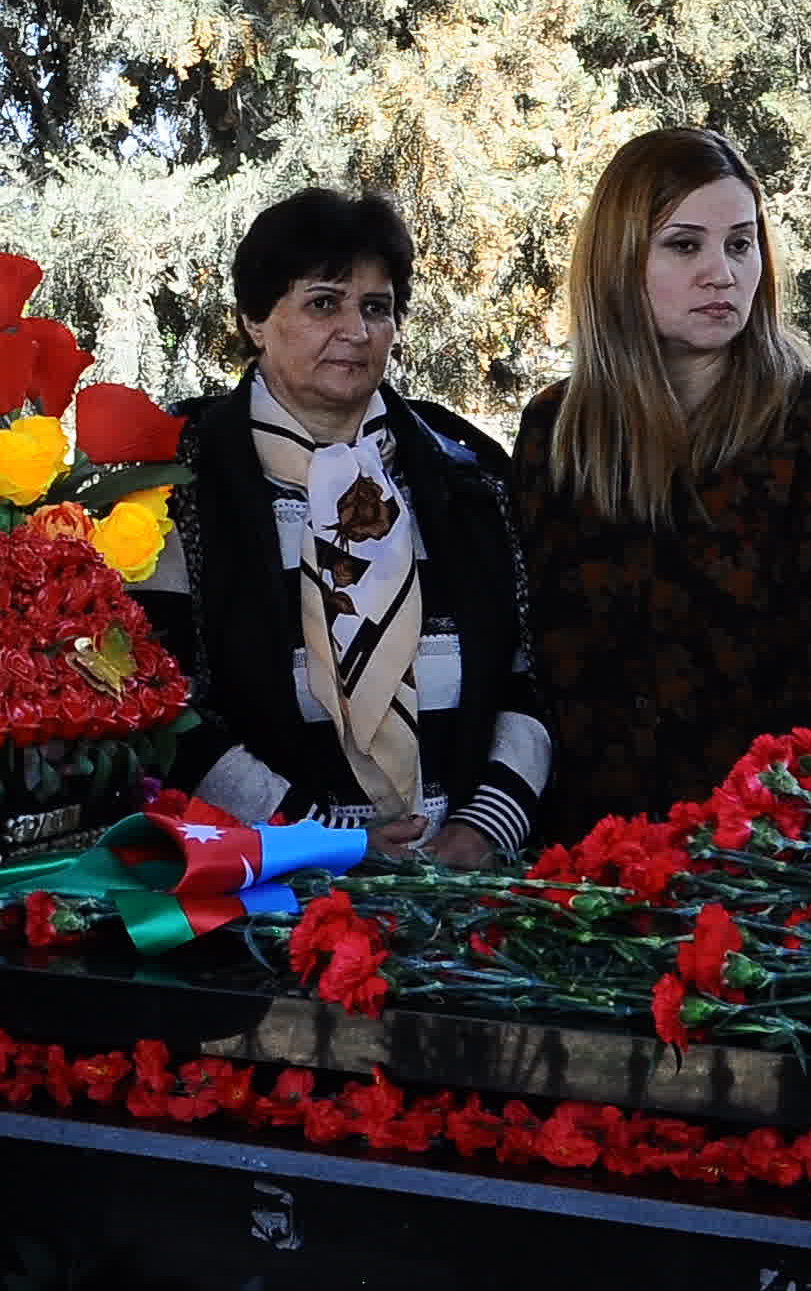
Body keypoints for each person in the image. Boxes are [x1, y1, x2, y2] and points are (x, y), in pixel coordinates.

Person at [133, 187, 550, 866]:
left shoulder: (468, 477)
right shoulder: (174, 486)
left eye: (376, 308)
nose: (356, 330)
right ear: (254, 318)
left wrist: (484, 828)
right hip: (265, 887)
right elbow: (158, 708)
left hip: (460, 885)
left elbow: (526, 681)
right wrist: (322, 842)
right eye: (324, 303)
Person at [511, 126, 811, 832]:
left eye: (740, 244)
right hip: (593, 852)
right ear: (619, 260)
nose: (721, 273)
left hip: (771, 849)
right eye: (684, 245)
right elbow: (538, 664)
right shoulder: (558, 430)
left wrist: (764, 833)